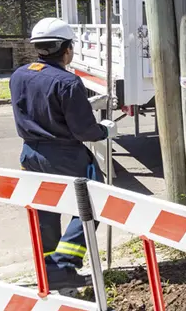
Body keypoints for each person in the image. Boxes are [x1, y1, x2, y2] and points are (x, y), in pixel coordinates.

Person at [9, 17, 116, 289]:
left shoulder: (19, 75)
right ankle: (65, 264)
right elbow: (84, 131)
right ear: (67, 49)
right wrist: (104, 130)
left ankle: (48, 269)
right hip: (64, 155)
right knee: (94, 201)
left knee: (45, 210)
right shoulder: (68, 82)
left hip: (30, 153)